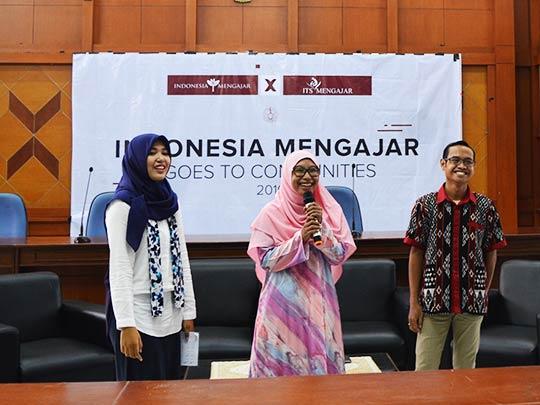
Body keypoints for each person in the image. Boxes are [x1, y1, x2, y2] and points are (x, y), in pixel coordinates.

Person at [248, 150, 357, 377]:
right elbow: (266, 261)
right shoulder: (271, 213)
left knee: (320, 377)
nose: (307, 176)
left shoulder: (328, 211)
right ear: (288, 174)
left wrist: (322, 229)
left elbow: (338, 256)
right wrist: (300, 238)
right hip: (282, 307)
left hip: (319, 304)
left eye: (313, 170)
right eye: (299, 170)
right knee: (279, 377)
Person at [404, 140, 506, 370]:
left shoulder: (486, 207)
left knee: (466, 372)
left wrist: (483, 290)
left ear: (474, 167)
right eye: (455, 160)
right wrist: (414, 302)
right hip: (433, 301)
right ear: (443, 164)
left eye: (468, 161)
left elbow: (491, 252)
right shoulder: (425, 205)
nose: (462, 166)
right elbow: (416, 252)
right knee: (425, 370)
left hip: (472, 301)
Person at [105, 133, 196, 380]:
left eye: (165, 152)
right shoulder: (122, 206)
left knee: (172, 392)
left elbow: (182, 258)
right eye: (152, 152)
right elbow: (120, 267)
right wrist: (126, 324)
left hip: (172, 314)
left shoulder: (170, 202)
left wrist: (189, 312)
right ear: (136, 159)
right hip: (138, 316)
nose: (161, 158)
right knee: (139, 394)